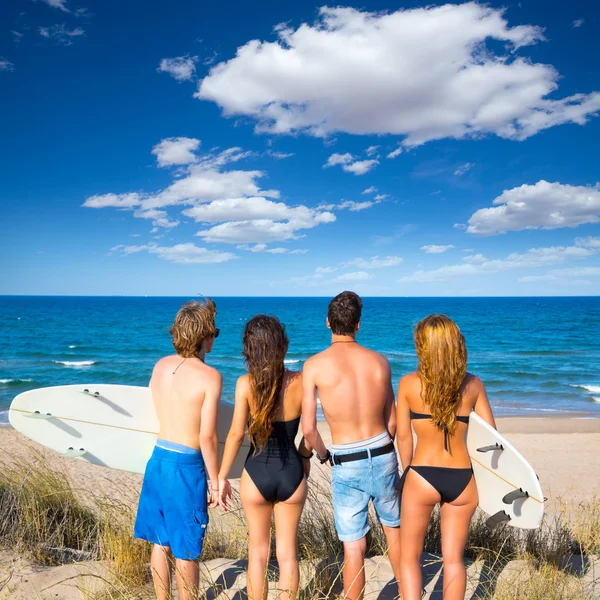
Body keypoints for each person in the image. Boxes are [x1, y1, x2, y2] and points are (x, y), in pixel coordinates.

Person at [302, 291, 401, 600]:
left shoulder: (314, 366)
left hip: (346, 459)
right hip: (384, 452)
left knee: (354, 545)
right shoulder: (379, 362)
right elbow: (393, 422)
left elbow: (308, 430)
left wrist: (323, 455)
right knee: (394, 532)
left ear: (328, 322)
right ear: (359, 324)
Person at [396, 314, 496, 600]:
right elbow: (492, 439)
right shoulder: (473, 385)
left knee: (409, 558)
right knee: (453, 559)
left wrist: (408, 474)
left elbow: (403, 436)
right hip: (463, 479)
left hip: (422, 474)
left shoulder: (408, 384)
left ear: (422, 346)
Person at [218, 315, 312, 600]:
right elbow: (308, 433)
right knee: (287, 554)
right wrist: (303, 458)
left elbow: (235, 435)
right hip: (292, 473)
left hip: (256, 473)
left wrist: (221, 477)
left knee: (258, 554)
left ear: (250, 349)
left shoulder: (245, 384)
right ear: (282, 346)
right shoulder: (302, 381)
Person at [134, 299, 222, 600]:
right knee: (186, 548)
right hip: (186, 466)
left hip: (158, 458)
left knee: (160, 541)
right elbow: (207, 436)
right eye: (215, 332)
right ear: (205, 336)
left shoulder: (160, 365)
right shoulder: (210, 377)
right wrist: (215, 480)